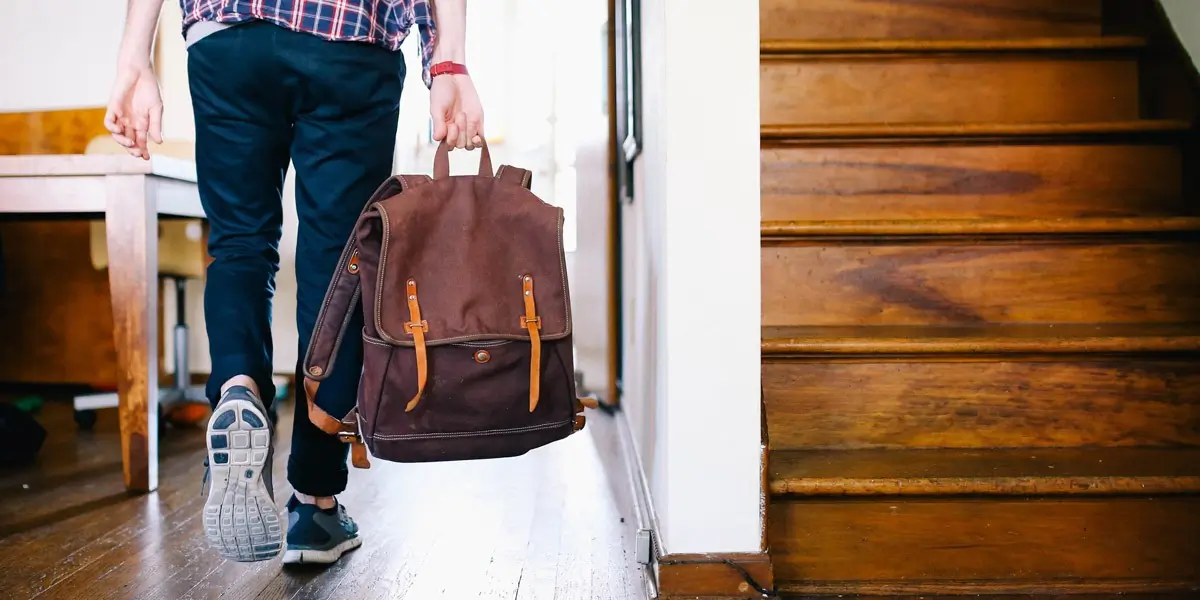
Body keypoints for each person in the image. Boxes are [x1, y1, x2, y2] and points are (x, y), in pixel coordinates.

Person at [104, 0, 483, 565]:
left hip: (227, 42)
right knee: (338, 270)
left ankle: (237, 385)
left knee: (238, 243)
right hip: (349, 37)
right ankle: (314, 503)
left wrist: (134, 56)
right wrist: (446, 62)